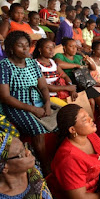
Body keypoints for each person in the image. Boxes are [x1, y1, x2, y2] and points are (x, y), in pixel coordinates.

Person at [48, 104, 100, 198]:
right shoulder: (69, 158)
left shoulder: (91, 136)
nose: (91, 119)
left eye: (88, 115)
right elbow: (79, 197)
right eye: (85, 119)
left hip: (99, 190)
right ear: (72, 129)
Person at [0, 31, 51, 173]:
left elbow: (43, 86)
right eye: (20, 46)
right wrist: (32, 109)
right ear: (11, 48)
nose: (25, 49)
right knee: (37, 129)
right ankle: (45, 166)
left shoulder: (32, 63)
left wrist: (47, 103)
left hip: (37, 101)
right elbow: (5, 97)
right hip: (16, 104)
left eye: (27, 45)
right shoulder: (4, 66)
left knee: (63, 117)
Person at [0, 122, 53, 199]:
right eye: (21, 154)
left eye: (24, 147)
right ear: (4, 167)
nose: (28, 152)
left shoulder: (32, 170)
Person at [33, 38, 78, 103]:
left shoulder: (53, 63)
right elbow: (44, 86)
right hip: (48, 97)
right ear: (40, 50)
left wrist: (71, 87)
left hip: (60, 94)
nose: (51, 50)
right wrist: (66, 87)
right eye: (48, 48)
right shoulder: (36, 64)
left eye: (52, 47)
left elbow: (64, 76)